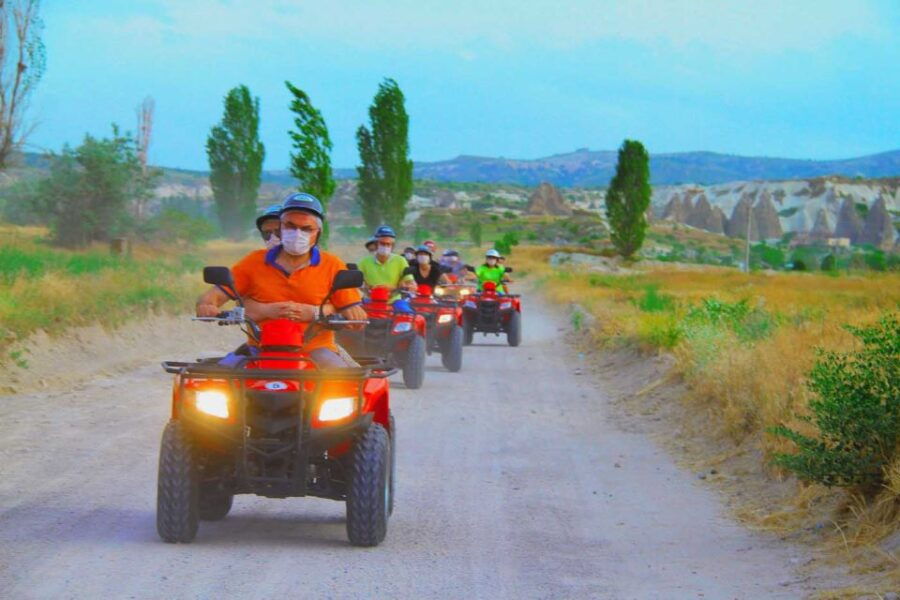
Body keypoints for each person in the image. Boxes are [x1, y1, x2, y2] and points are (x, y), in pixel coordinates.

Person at [220, 193, 367, 367]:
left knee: (346, 384)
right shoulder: (252, 262)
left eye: (306, 228)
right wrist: (207, 304)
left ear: (317, 233)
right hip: (259, 349)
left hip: (317, 349)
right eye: (290, 226)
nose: (297, 233)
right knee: (214, 380)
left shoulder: (332, 265)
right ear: (281, 227)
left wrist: (316, 313)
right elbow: (218, 296)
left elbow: (351, 309)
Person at [195, 203, 283, 316]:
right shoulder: (254, 262)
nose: (273, 238)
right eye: (267, 233)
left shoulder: (312, 265)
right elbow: (216, 294)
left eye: (278, 231)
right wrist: (206, 305)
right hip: (263, 333)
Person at [357, 225, 414, 298]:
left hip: (394, 301)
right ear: (376, 244)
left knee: (405, 309)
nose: (385, 246)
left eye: (388, 244)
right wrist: (367, 287)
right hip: (370, 300)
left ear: (392, 246)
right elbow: (358, 284)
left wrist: (394, 287)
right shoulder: (364, 262)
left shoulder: (401, 261)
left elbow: (409, 283)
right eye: (382, 243)